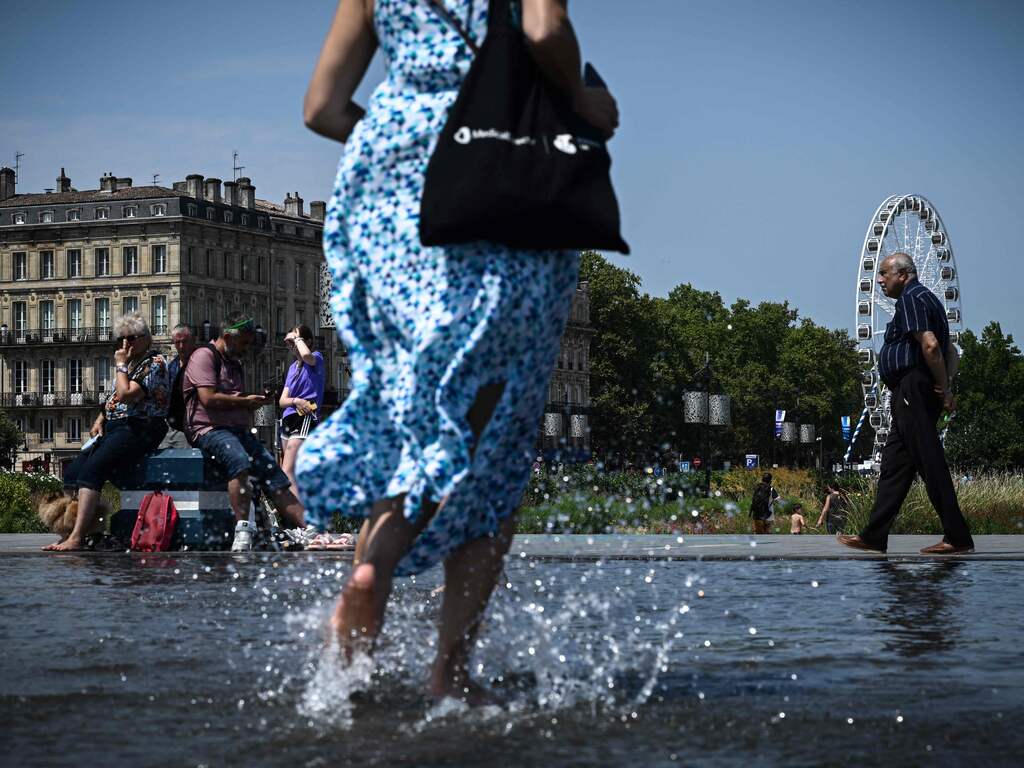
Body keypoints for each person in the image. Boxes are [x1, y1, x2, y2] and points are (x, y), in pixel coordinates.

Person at [297, 0, 618, 701]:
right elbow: (543, 31)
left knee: (416, 421)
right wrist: (579, 98)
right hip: (498, 189)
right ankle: (450, 671)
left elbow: (321, 107)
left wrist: (403, 146)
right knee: (493, 445)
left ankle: (366, 593)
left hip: (386, 205)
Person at [839, 252, 974, 555]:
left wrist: (944, 387)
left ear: (903, 275)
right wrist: (946, 382)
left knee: (930, 461)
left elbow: (931, 345)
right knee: (895, 466)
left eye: (884, 274)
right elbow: (950, 350)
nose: (879, 280)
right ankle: (874, 535)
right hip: (909, 390)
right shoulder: (930, 301)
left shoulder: (912, 298)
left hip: (913, 386)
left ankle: (958, 536)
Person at [44, 314, 170, 551]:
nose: (125, 345)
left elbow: (126, 395)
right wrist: (101, 417)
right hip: (116, 426)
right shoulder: (131, 363)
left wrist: (120, 365)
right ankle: (76, 531)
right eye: (120, 339)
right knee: (73, 473)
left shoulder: (155, 364)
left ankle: (78, 537)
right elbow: (114, 398)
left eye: (131, 338)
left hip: (141, 426)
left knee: (93, 471)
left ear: (145, 339)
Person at [183, 314, 305, 552]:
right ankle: (243, 529)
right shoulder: (203, 356)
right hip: (208, 429)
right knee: (238, 460)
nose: (246, 349)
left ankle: (310, 529)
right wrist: (245, 402)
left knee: (274, 474)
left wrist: (251, 403)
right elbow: (207, 398)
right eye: (243, 343)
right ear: (227, 337)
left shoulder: (233, 362)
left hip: (237, 429)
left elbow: (234, 398)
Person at [278, 325, 325, 499]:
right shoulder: (292, 368)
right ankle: (301, 519)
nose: (292, 346)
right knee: (293, 472)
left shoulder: (316, 358)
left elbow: (307, 356)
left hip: (304, 416)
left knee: (288, 470)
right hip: (289, 417)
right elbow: (283, 400)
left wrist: (297, 338)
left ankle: (305, 519)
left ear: (308, 342)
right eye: (290, 343)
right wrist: (295, 400)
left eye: (296, 341)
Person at [159, 324, 198, 449]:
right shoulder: (171, 367)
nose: (181, 347)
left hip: (192, 424)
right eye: (177, 342)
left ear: (193, 341)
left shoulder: (201, 364)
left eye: (185, 342)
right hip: (169, 424)